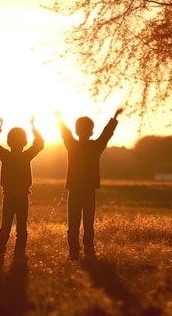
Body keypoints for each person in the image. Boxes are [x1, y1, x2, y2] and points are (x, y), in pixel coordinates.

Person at [56, 108, 123, 261]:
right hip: (88, 191)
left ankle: (74, 252)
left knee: (73, 223)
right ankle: (88, 249)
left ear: (77, 131)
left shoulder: (72, 145)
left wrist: (59, 119)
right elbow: (106, 134)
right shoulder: (95, 147)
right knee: (88, 223)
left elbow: (65, 133)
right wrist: (114, 118)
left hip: (74, 190)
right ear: (92, 131)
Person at [0, 117, 44, 264]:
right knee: (21, 227)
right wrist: (34, 127)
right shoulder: (26, 156)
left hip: (9, 197)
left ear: (8, 141)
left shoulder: (5, 155)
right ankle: (19, 253)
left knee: (5, 225)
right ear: (25, 142)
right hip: (22, 197)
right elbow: (40, 144)